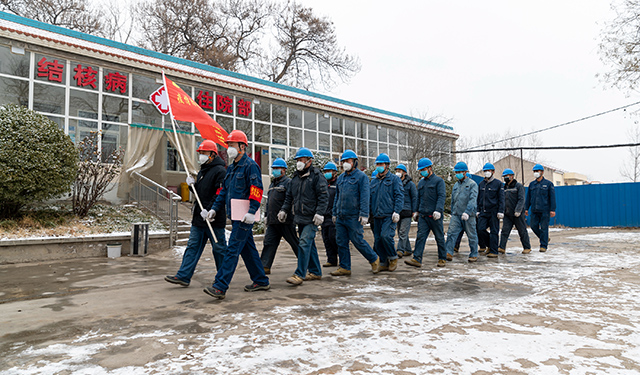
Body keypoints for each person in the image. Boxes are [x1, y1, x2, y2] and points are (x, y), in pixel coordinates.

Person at [202, 130, 269, 299]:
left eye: (232, 145)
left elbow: (256, 190)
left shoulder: (250, 166)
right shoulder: (230, 168)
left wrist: (252, 211)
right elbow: (223, 191)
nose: (229, 148)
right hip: (236, 214)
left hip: (245, 216)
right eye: (228, 145)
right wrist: (214, 209)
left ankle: (220, 286)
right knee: (248, 250)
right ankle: (261, 280)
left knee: (232, 250)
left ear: (242, 147)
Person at [165, 140, 227, 287]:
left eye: (204, 153)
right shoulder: (202, 171)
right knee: (192, 247)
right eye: (200, 153)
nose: (201, 156)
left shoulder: (220, 171)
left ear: (212, 154)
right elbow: (200, 194)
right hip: (199, 219)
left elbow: (220, 194)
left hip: (214, 220)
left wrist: (212, 210)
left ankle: (223, 278)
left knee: (219, 250)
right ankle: (183, 276)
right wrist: (192, 185)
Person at [278, 148, 328, 285]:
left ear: (309, 161)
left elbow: (323, 196)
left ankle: (299, 274)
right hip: (300, 217)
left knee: (304, 243)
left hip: (312, 218)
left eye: (301, 160)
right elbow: (289, 197)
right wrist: (283, 210)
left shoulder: (317, 176)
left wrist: (320, 213)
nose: (299, 163)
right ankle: (316, 272)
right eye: (298, 160)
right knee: (309, 245)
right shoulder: (295, 178)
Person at [330, 150, 380, 276]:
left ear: (354, 162)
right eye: (344, 161)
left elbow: (365, 196)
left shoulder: (361, 177)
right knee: (341, 241)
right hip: (341, 215)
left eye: (348, 161)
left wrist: (364, 214)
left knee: (358, 240)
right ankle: (345, 267)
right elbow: (337, 197)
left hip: (354, 216)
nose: (345, 164)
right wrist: (335, 213)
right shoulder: (340, 178)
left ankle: (374, 259)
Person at [260, 158, 299, 274]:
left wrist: (284, 211)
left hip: (285, 220)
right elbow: (269, 203)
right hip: (273, 221)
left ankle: (306, 264)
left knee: (295, 243)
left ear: (284, 170)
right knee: (268, 243)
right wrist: (266, 215)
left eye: (278, 168)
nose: (275, 171)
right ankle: (265, 266)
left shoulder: (288, 182)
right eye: (274, 169)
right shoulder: (272, 184)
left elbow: (290, 199)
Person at [405, 158, 446, 268]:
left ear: (430, 168)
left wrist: (438, 210)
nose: (421, 172)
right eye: (420, 170)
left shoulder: (438, 181)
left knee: (439, 237)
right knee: (420, 237)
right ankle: (417, 258)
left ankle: (442, 258)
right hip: (423, 215)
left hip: (435, 216)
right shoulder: (421, 182)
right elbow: (419, 198)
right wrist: (416, 211)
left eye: (423, 169)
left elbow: (442, 196)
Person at [370, 153, 404, 272]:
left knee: (386, 236)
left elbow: (399, 196)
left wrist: (397, 211)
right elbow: (370, 199)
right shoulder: (373, 182)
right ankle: (383, 262)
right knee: (378, 239)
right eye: (377, 164)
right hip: (377, 215)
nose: (379, 166)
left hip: (389, 215)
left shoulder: (394, 179)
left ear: (387, 165)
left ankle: (393, 257)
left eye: (381, 164)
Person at [444, 161, 479, 262]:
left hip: (469, 215)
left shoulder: (472, 184)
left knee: (471, 235)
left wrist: (467, 212)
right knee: (451, 233)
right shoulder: (455, 185)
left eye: (459, 172)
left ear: (465, 172)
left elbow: (473, 199)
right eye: (456, 172)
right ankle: (448, 252)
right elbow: (453, 200)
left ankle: (473, 254)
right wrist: (452, 212)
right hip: (456, 214)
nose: (457, 174)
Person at [498, 169, 531, 254]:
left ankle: (527, 247)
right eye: (504, 176)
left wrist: (518, 210)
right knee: (504, 231)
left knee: (522, 231)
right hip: (507, 214)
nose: (505, 178)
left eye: (507, 176)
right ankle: (501, 247)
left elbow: (521, 199)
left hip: (517, 214)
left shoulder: (518, 186)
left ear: (512, 176)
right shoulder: (504, 187)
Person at [525, 164, 556, 252]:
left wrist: (552, 209)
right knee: (533, 226)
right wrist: (526, 208)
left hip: (545, 211)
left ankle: (543, 246)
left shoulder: (548, 184)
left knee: (544, 228)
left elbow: (552, 198)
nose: (535, 173)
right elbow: (528, 198)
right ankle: (544, 238)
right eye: (534, 171)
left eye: (537, 171)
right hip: (534, 210)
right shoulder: (532, 184)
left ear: (542, 172)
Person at [476, 163, 505, 258]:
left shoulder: (498, 184)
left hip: (494, 212)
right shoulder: (481, 184)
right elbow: (479, 198)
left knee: (494, 232)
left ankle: (493, 251)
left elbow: (501, 198)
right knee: (480, 229)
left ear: (493, 172)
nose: (487, 172)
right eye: (485, 171)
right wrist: (478, 210)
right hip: (483, 212)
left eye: (489, 171)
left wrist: (501, 211)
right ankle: (492, 245)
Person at [394, 164, 418, 258]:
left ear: (404, 172)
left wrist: (414, 210)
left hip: (407, 211)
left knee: (403, 232)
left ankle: (400, 250)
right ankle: (407, 250)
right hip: (398, 211)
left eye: (399, 171)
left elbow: (414, 197)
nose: (398, 172)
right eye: (397, 170)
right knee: (401, 231)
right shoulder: (395, 183)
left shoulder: (410, 184)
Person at [321, 162, 339, 267]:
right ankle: (331, 259)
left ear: (334, 172)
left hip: (333, 215)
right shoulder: (323, 184)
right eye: (325, 171)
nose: (327, 173)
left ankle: (341, 257)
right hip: (324, 216)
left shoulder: (337, 184)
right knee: (326, 238)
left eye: (329, 171)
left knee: (333, 237)